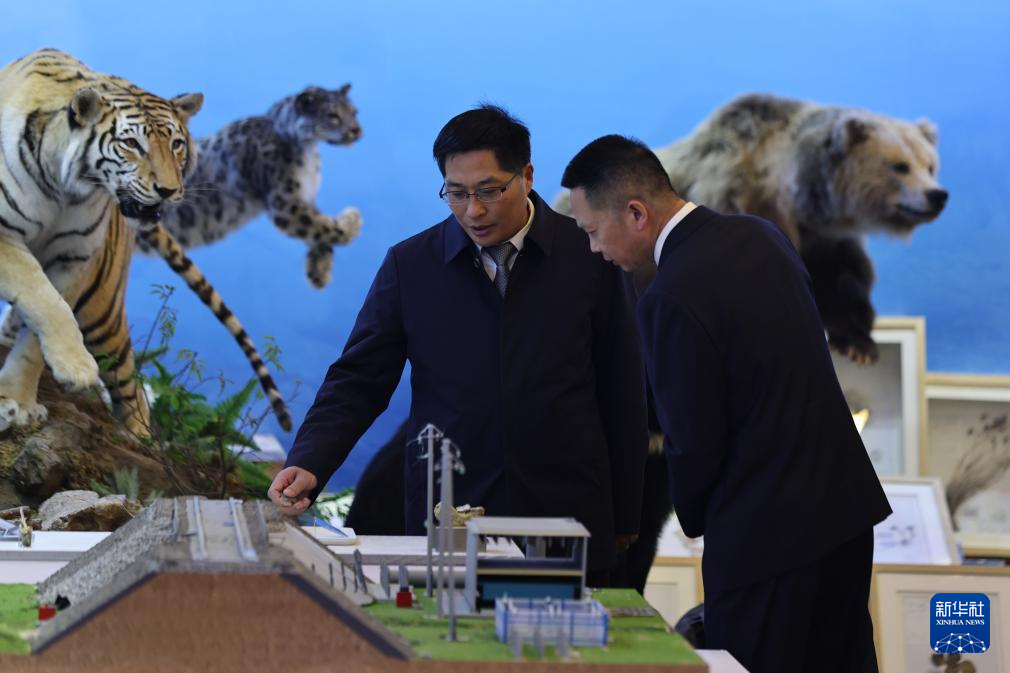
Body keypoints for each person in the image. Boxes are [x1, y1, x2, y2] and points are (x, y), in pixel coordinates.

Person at [269, 107, 649, 584]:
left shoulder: (590, 257)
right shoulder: (412, 266)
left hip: (566, 514)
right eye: (457, 193)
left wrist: (626, 514)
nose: (473, 210)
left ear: (527, 176)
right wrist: (309, 460)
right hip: (451, 513)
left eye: (489, 191)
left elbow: (623, 390)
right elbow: (358, 380)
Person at [561, 134, 892, 672]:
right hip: (845, 511)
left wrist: (693, 516)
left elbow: (693, 439)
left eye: (593, 231)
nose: (595, 250)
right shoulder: (761, 235)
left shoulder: (668, 297)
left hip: (763, 531)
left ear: (636, 214)